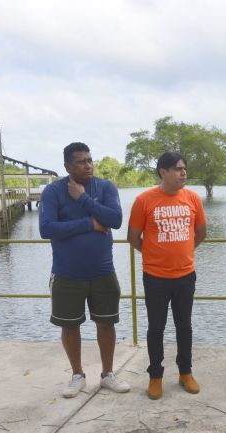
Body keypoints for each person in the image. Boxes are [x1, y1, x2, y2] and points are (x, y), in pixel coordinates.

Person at [39, 142, 129, 398]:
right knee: (70, 326)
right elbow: (47, 229)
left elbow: (115, 220)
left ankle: (107, 374)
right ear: (67, 166)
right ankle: (77, 375)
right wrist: (90, 223)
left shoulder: (105, 187)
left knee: (106, 323)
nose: (88, 165)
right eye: (81, 162)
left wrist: (83, 199)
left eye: (90, 160)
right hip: (67, 273)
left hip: (103, 272)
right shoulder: (53, 192)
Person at [127, 152, 207, 400]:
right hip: (155, 277)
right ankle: (155, 376)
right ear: (163, 172)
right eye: (178, 169)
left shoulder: (192, 198)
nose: (184, 173)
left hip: (186, 275)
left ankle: (185, 372)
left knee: (184, 326)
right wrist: (154, 255)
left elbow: (201, 233)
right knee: (156, 328)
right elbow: (133, 237)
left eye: (185, 169)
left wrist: (184, 253)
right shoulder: (144, 200)